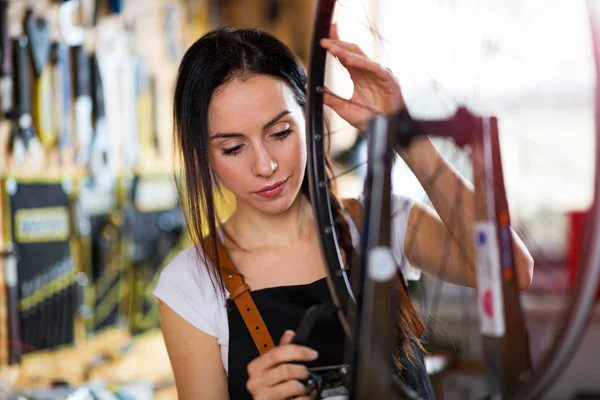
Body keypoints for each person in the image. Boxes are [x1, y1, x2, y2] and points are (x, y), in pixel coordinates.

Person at [153, 24, 534, 400]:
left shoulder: (380, 223)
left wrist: (400, 130)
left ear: (310, 121)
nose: (265, 165)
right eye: (234, 148)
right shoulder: (188, 287)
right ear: (202, 155)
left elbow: (512, 270)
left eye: (281, 132)